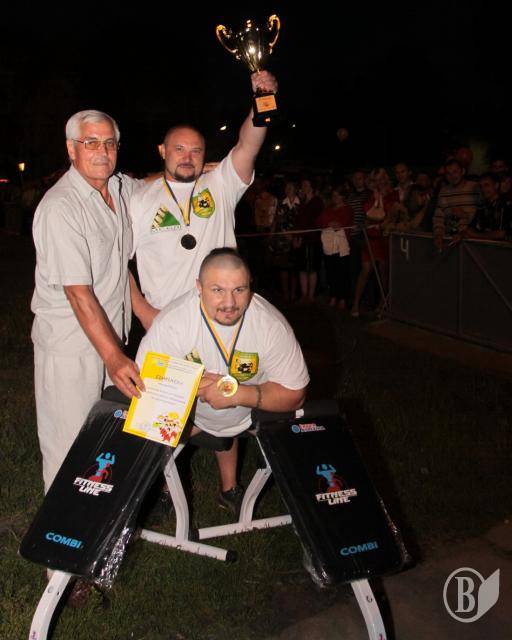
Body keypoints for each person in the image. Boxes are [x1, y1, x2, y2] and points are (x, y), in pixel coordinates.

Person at [31, 109, 156, 495]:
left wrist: (203, 170)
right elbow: (78, 292)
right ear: (71, 149)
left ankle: (93, 518)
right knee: (70, 445)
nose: (102, 151)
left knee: (102, 442)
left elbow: (156, 186)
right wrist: (114, 357)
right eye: (91, 143)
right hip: (72, 349)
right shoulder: (61, 207)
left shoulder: (117, 188)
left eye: (109, 143)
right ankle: (61, 530)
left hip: (109, 341)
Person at [136, 248, 309, 514]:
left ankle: (229, 489)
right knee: (148, 433)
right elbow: (145, 389)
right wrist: (191, 384)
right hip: (193, 414)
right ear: (199, 287)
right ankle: (166, 488)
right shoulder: (173, 322)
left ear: (250, 285)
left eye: (239, 290)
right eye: (217, 290)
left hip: (249, 412)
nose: (230, 302)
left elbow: (296, 394)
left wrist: (237, 394)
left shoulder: (270, 324)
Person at [130, 71, 278, 315]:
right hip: (167, 320)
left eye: (196, 151)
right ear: (163, 151)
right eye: (179, 149)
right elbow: (117, 263)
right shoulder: (139, 199)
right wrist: (144, 312)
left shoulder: (221, 183)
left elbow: (248, 145)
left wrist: (264, 99)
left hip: (222, 314)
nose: (187, 158)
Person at [316, 187, 354, 309]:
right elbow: (319, 222)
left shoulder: (347, 209)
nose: (335, 198)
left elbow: (341, 223)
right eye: (333, 195)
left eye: (338, 195)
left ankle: (342, 298)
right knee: (331, 272)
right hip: (329, 245)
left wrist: (331, 223)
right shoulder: (328, 210)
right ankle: (333, 296)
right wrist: (329, 223)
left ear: (343, 196)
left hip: (341, 246)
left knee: (342, 273)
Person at [432, 158, 482, 251]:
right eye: (448, 173)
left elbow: (482, 214)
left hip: (472, 242)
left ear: (463, 171)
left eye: (455, 172)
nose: (452, 176)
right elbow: (439, 217)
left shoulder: (475, 187)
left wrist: (465, 216)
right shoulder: (444, 191)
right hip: (450, 240)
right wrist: (438, 235)